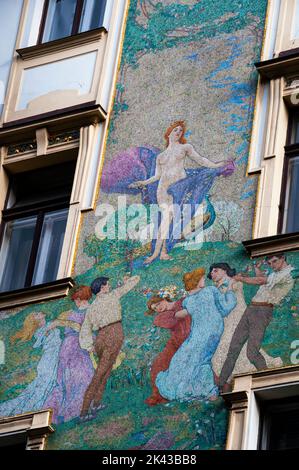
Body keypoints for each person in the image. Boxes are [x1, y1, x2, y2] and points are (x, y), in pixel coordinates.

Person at [129, 121, 234, 263]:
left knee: (169, 220)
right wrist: (142, 183)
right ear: (169, 133)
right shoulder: (160, 156)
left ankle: (159, 253)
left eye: (180, 131)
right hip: (163, 190)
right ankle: (160, 253)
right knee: (166, 221)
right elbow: (157, 176)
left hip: (179, 187)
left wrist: (216, 165)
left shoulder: (185, 147)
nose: (178, 132)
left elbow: (200, 160)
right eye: (175, 130)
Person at [156, 268, 236, 402]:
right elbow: (225, 308)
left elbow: (225, 308)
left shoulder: (195, 298)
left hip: (208, 331)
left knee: (197, 358)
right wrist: (229, 291)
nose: (204, 280)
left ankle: (207, 391)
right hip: (202, 331)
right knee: (187, 357)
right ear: (197, 281)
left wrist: (230, 289)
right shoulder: (204, 293)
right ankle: (196, 389)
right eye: (202, 278)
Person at [219, 254, 294, 390]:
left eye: (274, 261)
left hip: (262, 312)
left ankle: (268, 381)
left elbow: (260, 281)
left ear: (283, 258)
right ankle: (220, 384)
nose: (272, 265)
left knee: (252, 353)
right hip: (251, 309)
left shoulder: (286, 274)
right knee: (233, 348)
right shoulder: (275, 273)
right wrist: (257, 268)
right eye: (270, 263)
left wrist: (240, 278)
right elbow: (264, 281)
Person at [79, 274, 140, 420]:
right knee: (100, 373)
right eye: (107, 284)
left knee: (104, 372)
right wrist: (128, 280)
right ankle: (84, 412)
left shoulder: (92, 307)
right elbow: (134, 281)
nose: (110, 286)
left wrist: (88, 345)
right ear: (102, 287)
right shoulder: (112, 296)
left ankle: (96, 404)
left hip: (101, 337)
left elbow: (86, 328)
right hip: (113, 334)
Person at [209, 263, 282, 382]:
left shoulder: (234, 282)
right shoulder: (217, 288)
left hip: (240, 316)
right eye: (211, 272)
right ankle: (224, 381)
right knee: (229, 348)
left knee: (243, 347)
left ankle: (262, 375)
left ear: (224, 271)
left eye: (215, 270)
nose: (212, 273)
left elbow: (237, 288)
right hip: (226, 320)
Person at [44, 286, 95, 424]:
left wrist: (61, 323)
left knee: (84, 375)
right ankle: (68, 410)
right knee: (67, 378)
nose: (76, 302)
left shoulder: (91, 311)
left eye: (77, 299)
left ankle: (81, 409)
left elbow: (82, 329)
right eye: (75, 300)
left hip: (80, 346)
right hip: (68, 346)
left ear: (82, 298)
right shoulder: (73, 312)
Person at [0, 312, 62, 417]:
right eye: (36, 314)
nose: (40, 313)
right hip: (48, 360)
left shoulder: (50, 324)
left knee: (42, 386)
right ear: (35, 320)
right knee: (43, 387)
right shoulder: (39, 332)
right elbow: (37, 344)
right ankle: (28, 411)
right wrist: (46, 332)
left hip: (53, 358)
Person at [144, 296, 191, 406]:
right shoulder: (163, 316)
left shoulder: (183, 301)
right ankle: (158, 395)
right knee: (158, 365)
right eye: (155, 309)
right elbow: (172, 320)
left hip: (190, 340)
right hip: (176, 343)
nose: (158, 309)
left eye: (158, 304)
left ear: (163, 299)